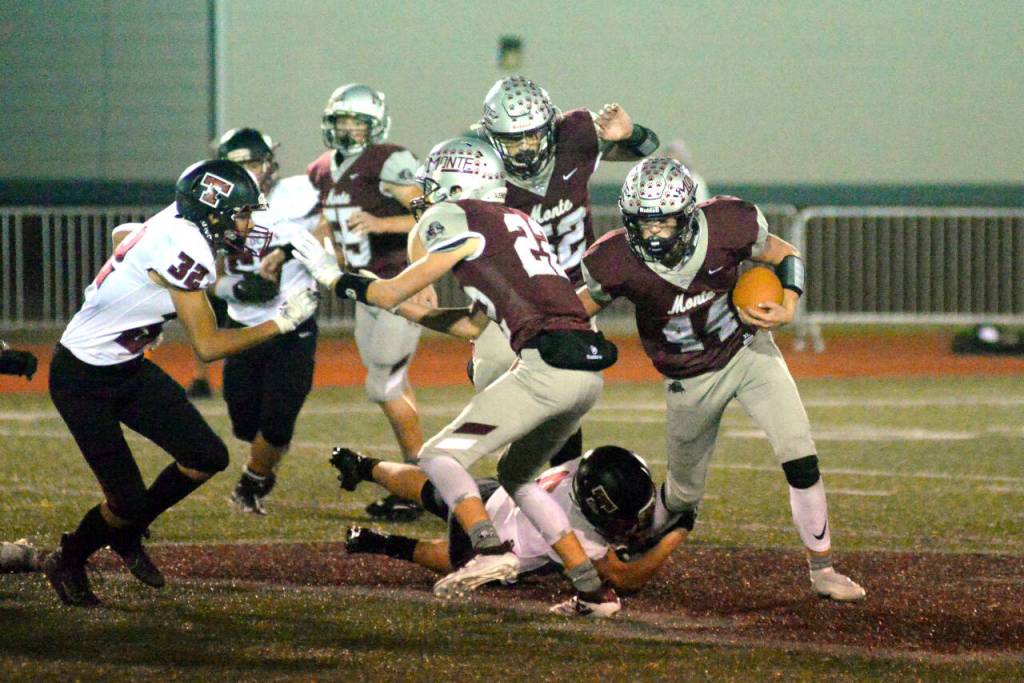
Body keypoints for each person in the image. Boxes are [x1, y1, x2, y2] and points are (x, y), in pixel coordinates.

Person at [292, 136, 621, 616]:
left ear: (455, 187)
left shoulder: (457, 216)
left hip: (546, 367)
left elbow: (388, 292)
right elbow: (470, 325)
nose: (425, 197)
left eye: (433, 186)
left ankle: (488, 550)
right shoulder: (518, 221)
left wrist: (331, 276)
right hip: (585, 371)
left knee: (438, 455)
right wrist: (405, 307)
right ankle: (593, 592)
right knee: (519, 478)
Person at [578, 157, 866, 601]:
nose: (653, 234)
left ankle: (822, 568)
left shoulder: (728, 225)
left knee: (799, 452)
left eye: (664, 222)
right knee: (683, 496)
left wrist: (789, 303)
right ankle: (639, 539)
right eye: (644, 223)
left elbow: (784, 253)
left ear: (688, 214)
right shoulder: (614, 259)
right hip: (688, 377)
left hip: (748, 351)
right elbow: (579, 308)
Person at [42, 159, 318, 607]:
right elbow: (208, 345)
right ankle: (68, 558)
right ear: (212, 213)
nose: (248, 225)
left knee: (206, 456)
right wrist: (280, 324)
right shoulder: (188, 245)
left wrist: (137, 299)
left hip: (127, 367)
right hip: (82, 378)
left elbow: (122, 236)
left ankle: (126, 534)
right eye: (241, 214)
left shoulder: (177, 220)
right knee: (126, 501)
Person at [471, 75, 660, 466]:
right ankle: (514, 468)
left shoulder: (575, 134)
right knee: (492, 382)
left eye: (532, 135)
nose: (525, 148)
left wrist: (631, 133)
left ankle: (562, 479)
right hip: (514, 297)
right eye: (512, 139)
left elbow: (647, 147)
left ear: (551, 126)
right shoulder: (479, 168)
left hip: (574, 295)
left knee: (567, 398)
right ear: (491, 137)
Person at [335, 445, 687, 610]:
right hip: (494, 541)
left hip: (493, 496)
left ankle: (363, 465)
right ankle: (381, 543)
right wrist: (677, 534)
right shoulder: (579, 534)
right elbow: (626, 579)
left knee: (430, 489)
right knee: (453, 562)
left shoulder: (578, 468)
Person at [307, 83, 431, 522]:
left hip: (398, 283)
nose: (348, 129)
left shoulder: (389, 160)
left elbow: (429, 214)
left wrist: (383, 227)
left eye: (357, 122)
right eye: (342, 120)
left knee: (384, 386)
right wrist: (312, 253)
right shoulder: (321, 169)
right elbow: (327, 225)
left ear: (375, 125)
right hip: (364, 289)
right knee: (393, 382)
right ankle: (417, 478)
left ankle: (420, 484)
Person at [209, 128, 323, 515]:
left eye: (253, 163)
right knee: (244, 424)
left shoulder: (300, 193)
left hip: (294, 324)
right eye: (237, 165)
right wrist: (235, 289)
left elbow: (336, 214)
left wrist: (297, 249)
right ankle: (266, 456)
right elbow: (203, 273)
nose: (248, 172)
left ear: (270, 164)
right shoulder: (214, 207)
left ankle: (253, 481)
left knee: (276, 421)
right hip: (244, 327)